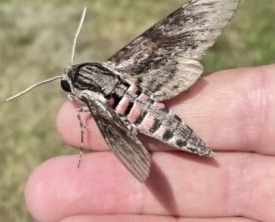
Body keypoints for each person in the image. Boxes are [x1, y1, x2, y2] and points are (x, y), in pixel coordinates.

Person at [25, 65, 275, 222]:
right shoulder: (111, 69)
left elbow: (83, 115)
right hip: (146, 102)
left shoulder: (88, 103)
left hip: (146, 118)